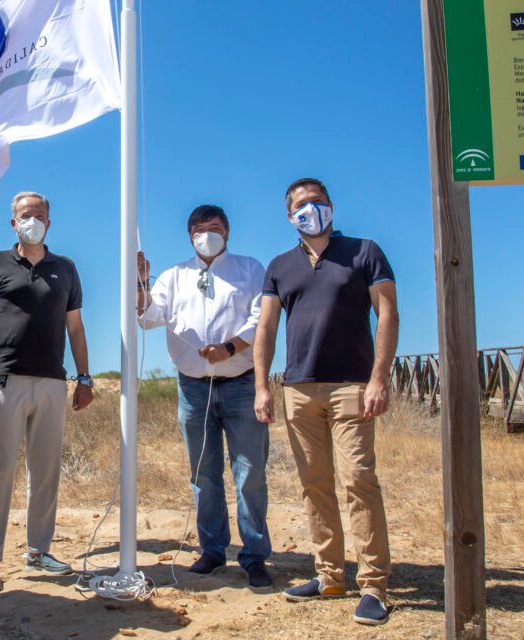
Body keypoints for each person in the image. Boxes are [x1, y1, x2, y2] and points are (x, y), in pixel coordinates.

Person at [253, 178, 399, 626]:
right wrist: (263, 386)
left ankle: (373, 584)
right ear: (288, 215)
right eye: (300, 204)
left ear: (331, 207)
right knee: (314, 485)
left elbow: (388, 312)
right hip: (298, 388)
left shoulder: (364, 251)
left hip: (352, 385)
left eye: (317, 201)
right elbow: (266, 329)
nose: (310, 209)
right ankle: (329, 575)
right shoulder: (280, 265)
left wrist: (379, 378)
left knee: (359, 480)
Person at [136, 204, 273, 589]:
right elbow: (148, 318)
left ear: (227, 232)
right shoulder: (175, 276)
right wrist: (141, 283)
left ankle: (255, 555)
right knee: (203, 474)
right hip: (193, 387)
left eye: (213, 227)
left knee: (250, 473)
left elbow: (261, 317)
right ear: (190, 235)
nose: (206, 234)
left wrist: (229, 348)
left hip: (241, 382)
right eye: (199, 229)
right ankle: (212, 550)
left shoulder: (250, 269)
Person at [0, 191, 94, 594]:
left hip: (53, 382)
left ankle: (39, 550)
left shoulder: (66, 269)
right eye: (25, 215)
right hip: (4, 380)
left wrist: (84, 377)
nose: (32, 220)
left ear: (49, 223)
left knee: (46, 473)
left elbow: (74, 327)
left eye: (39, 215)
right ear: (13, 222)